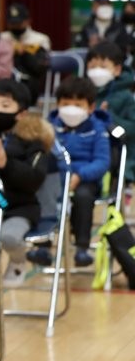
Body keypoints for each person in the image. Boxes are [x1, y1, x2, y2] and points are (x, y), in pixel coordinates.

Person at [0, 79, 53, 287]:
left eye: (5, 106)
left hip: (20, 209)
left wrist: (5, 164)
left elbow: (33, 180)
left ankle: (19, 260)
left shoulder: (34, 142)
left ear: (21, 113)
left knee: (8, 238)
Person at [47, 77, 110, 268]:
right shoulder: (50, 127)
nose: (71, 108)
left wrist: (80, 175)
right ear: (57, 104)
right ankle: (43, 244)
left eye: (78, 104)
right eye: (66, 104)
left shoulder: (97, 129)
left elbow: (102, 161)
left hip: (85, 179)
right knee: (43, 192)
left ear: (90, 107)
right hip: (55, 176)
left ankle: (82, 248)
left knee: (83, 197)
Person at [86, 41, 135, 183]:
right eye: (92, 66)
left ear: (117, 69)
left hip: (116, 146)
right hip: (87, 145)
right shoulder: (82, 92)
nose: (97, 71)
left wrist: (109, 117)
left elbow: (132, 129)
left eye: (103, 66)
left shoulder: (125, 96)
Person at [2, 3, 50, 105]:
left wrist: (24, 52)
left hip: (29, 85)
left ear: (28, 21)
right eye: (12, 23)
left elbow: (40, 68)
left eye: (19, 23)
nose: (15, 26)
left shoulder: (40, 39)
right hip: (4, 82)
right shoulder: (1, 39)